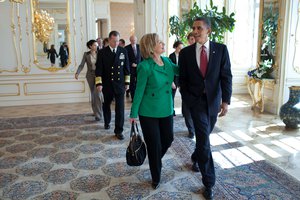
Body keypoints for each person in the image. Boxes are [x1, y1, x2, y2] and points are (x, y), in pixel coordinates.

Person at [179, 17, 232, 200]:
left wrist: (226, 101)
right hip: (195, 102)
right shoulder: (185, 53)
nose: (195, 31)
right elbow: (182, 80)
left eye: (199, 28)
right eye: (193, 27)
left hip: (213, 102)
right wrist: (188, 99)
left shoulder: (221, 50)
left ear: (208, 30)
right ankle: (209, 182)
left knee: (204, 137)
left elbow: (226, 76)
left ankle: (195, 156)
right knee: (203, 137)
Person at [129, 33, 179, 190]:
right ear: (151, 47)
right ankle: (156, 176)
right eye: (159, 42)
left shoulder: (167, 61)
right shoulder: (144, 67)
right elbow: (139, 91)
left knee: (168, 139)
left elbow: (181, 71)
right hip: (148, 112)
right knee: (154, 144)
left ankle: (155, 159)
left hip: (166, 108)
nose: (163, 44)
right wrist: (133, 113)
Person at [95, 31, 130, 140]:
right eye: (114, 41)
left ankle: (119, 130)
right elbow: (99, 69)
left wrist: (127, 83)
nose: (116, 43)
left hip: (119, 85)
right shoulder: (102, 52)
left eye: (118, 41)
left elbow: (126, 69)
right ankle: (107, 121)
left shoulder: (123, 51)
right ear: (109, 40)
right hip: (107, 84)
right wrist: (99, 83)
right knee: (106, 105)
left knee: (120, 108)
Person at [75, 39, 103, 121]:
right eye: (94, 45)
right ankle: (95, 112)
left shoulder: (100, 53)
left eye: (96, 45)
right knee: (93, 94)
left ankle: (99, 114)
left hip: (99, 76)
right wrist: (77, 73)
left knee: (98, 94)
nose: (96, 46)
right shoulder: (86, 54)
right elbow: (81, 65)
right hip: (90, 76)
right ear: (90, 46)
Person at [181, 33, 196, 138]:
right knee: (186, 112)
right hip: (187, 89)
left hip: (199, 90)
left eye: (194, 38)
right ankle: (191, 130)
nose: (193, 40)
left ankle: (195, 128)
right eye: (191, 39)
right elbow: (181, 71)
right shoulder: (185, 53)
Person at [125, 35, 142, 101]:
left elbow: (142, 57)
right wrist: (131, 64)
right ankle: (133, 98)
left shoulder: (140, 47)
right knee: (132, 83)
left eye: (134, 40)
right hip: (131, 69)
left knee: (139, 83)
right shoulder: (126, 48)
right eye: (132, 40)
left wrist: (139, 65)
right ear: (130, 40)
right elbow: (126, 59)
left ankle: (139, 97)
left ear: (136, 40)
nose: (133, 41)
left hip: (139, 68)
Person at [169, 40, 183, 116]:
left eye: (182, 48)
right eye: (179, 48)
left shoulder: (183, 55)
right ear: (176, 48)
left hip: (181, 79)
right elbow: (170, 69)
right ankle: (172, 111)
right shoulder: (171, 56)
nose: (181, 50)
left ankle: (184, 111)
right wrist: (172, 81)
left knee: (184, 95)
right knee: (172, 96)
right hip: (174, 79)